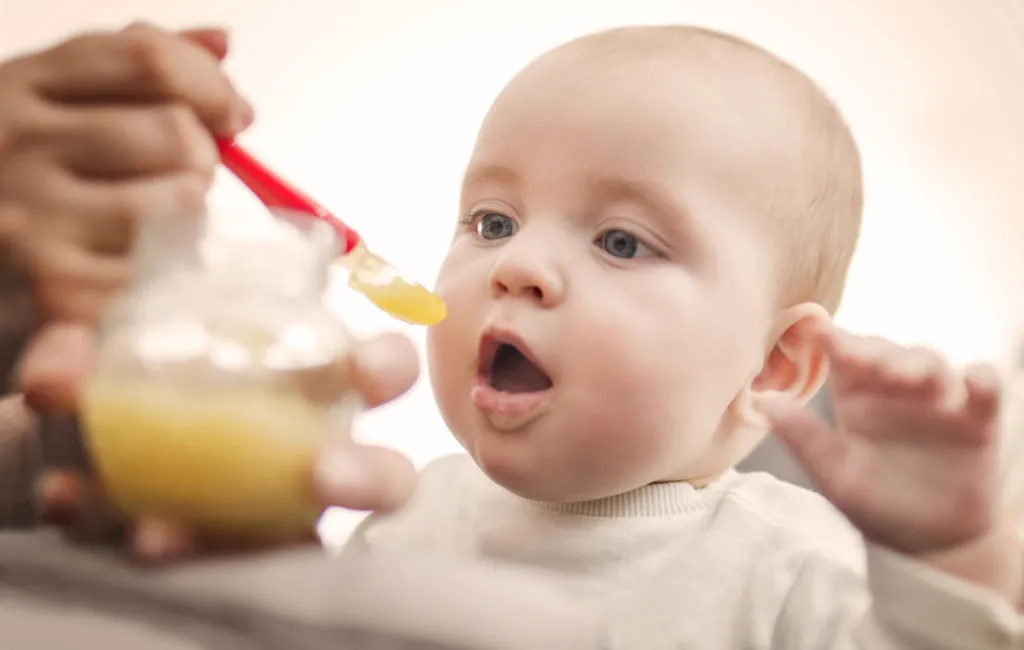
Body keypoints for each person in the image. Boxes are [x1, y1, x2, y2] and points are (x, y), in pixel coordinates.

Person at [1, 21, 1021, 649]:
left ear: (771, 365)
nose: (515, 264)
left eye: (621, 240)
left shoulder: (787, 563)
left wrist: (949, 550)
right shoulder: (413, 513)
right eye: (491, 220)